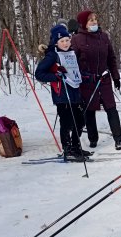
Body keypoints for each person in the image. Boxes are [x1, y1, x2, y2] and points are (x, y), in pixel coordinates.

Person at [71, 10, 121, 150]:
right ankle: (93, 139)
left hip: (104, 79)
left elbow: (111, 58)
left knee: (111, 108)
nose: (94, 22)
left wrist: (116, 77)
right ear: (83, 24)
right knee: (89, 111)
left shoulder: (104, 37)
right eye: (90, 20)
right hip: (88, 82)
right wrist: (82, 77)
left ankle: (118, 138)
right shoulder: (77, 39)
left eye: (95, 19)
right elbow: (73, 63)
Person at [35, 25, 86, 158]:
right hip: (62, 95)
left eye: (67, 40)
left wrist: (91, 77)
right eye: (62, 41)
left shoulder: (72, 53)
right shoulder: (53, 55)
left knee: (80, 121)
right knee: (67, 122)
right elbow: (39, 73)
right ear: (56, 42)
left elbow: (77, 72)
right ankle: (67, 148)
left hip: (75, 92)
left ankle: (76, 146)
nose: (65, 43)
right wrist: (56, 76)